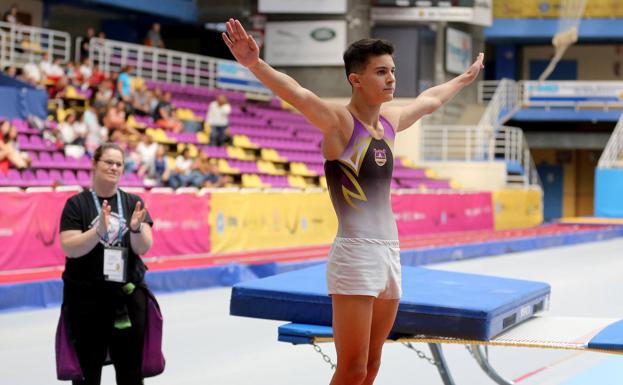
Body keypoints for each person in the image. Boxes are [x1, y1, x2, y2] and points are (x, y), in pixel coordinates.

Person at [222, 18, 484, 385]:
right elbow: (299, 94)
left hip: (390, 252)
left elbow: (429, 101)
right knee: (352, 367)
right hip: (356, 253)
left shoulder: (390, 123)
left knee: (373, 365)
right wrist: (254, 64)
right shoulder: (340, 124)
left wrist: (464, 78)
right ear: (355, 80)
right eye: (381, 72)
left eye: (392, 70)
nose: (391, 78)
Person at [59, 142, 158, 385]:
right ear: (95, 164)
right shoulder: (76, 204)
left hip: (126, 300)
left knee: (131, 373)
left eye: (119, 164)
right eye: (108, 162)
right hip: (87, 302)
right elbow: (69, 248)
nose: (114, 167)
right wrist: (97, 232)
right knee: (87, 373)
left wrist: (135, 228)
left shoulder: (133, 202)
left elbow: (143, 247)